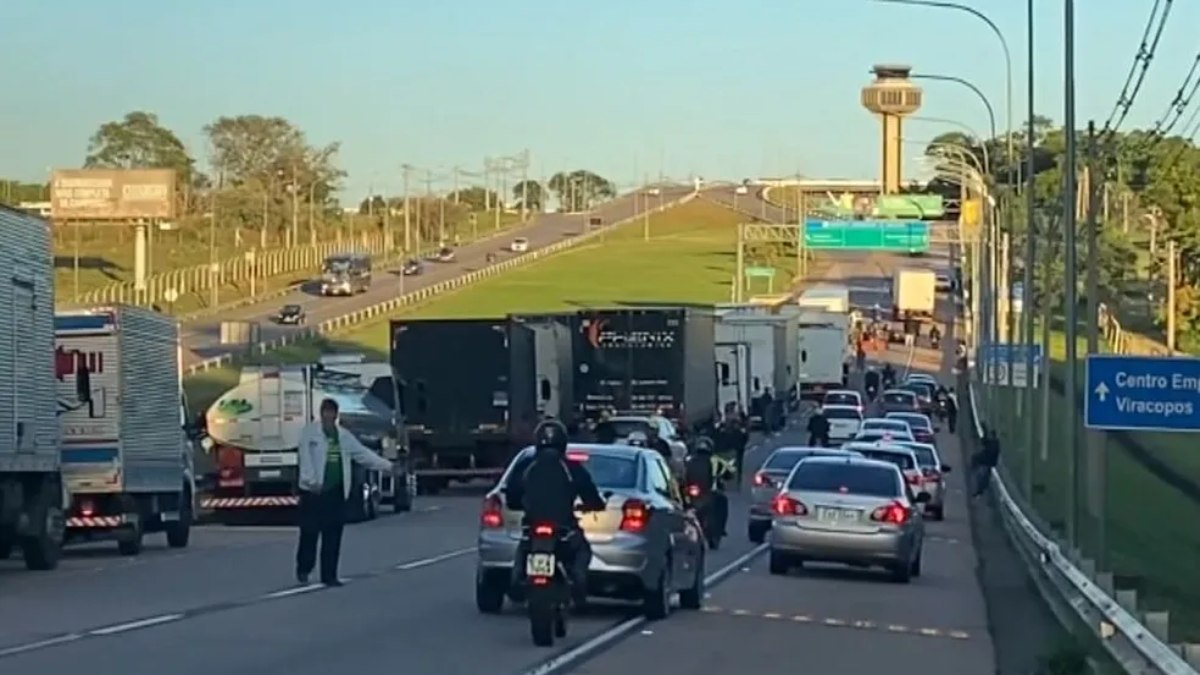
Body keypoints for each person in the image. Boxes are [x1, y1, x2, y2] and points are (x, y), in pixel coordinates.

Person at [296, 398, 394, 586]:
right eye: (325, 412)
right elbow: (305, 458)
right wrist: (310, 481)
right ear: (321, 413)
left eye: (332, 413)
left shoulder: (343, 436)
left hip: (336, 491)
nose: (328, 416)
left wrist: (386, 466)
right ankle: (304, 567)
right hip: (314, 492)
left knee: (333, 534)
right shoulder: (310, 434)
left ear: (335, 415)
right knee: (309, 533)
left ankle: (329, 575)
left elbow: (363, 454)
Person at [505, 420, 607, 600]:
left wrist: (521, 504)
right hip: (562, 527)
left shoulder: (526, 466)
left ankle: (518, 576)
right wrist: (593, 505)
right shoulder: (571, 468)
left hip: (534, 525)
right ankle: (577, 578)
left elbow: (512, 496)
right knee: (582, 550)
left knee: (524, 545)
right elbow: (590, 495)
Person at [683, 436, 730, 538]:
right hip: (704, 491)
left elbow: (728, 471)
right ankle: (721, 528)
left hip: (700, 491)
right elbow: (728, 472)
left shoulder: (689, 459)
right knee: (723, 501)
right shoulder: (715, 460)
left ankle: (719, 528)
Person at [971, 427, 1001, 497]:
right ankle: (980, 489)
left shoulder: (994, 444)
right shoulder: (993, 442)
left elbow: (988, 449)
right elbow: (984, 442)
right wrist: (985, 433)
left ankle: (980, 490)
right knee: (982, 475)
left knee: (982, 476)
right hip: (986, 461)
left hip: (987, 462)